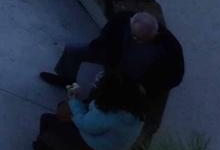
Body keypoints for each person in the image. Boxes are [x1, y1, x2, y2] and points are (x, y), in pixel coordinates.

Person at [39, 9, 185, 107]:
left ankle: (92, 105)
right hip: (112, 57)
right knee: (73, 51)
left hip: (133, 76)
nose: (135, 40)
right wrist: (98, 45)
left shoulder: (170, 50)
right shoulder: (122, 18)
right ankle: (68, 80)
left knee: (105, 89)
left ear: (154, 33)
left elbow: (175, 77)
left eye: (140, 39)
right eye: (133, 35)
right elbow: (107, 33)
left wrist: (146, 88)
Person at [40, 71, 146, 150]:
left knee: (47, 118)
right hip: (116, 147)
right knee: (69, 108)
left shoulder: (108, 114)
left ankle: (41, 147)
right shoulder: (137, 107)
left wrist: (72, 99)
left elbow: (83, 123)